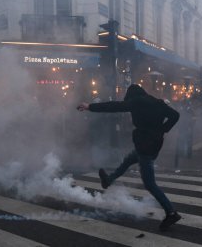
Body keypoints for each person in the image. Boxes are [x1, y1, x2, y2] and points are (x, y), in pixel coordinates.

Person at [77, 84, 181, 231]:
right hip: (153, 144)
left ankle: (171, 212)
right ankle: (108, 180)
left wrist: (90, 106)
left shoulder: (136, 102)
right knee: (128, 160)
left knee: (150, 183)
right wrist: (161, 130)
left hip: (146, 146)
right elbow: (175, 115)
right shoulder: (157, 102)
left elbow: (113, 106)